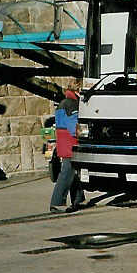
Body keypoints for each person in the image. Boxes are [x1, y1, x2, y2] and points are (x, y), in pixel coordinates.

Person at [49, 80, 85, 213]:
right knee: (67, 172)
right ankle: (57, 202)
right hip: (70, 143)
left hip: (64, 142)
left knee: (73, 172)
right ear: (78, 90)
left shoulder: (64, 102)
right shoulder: (72, 104)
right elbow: (73, 127)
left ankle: (79, 199)